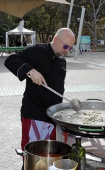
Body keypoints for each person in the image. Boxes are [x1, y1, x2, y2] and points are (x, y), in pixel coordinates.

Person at [4, 27, 75, 169]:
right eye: (66, 46)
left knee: (48, 159)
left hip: (53, 117)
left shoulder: (62, 61)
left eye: (71, 48)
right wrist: (30, 70)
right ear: (55, 40)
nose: (67, 51)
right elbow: (10, 60)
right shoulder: (36, 51)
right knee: (32, 157)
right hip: (35, 115)